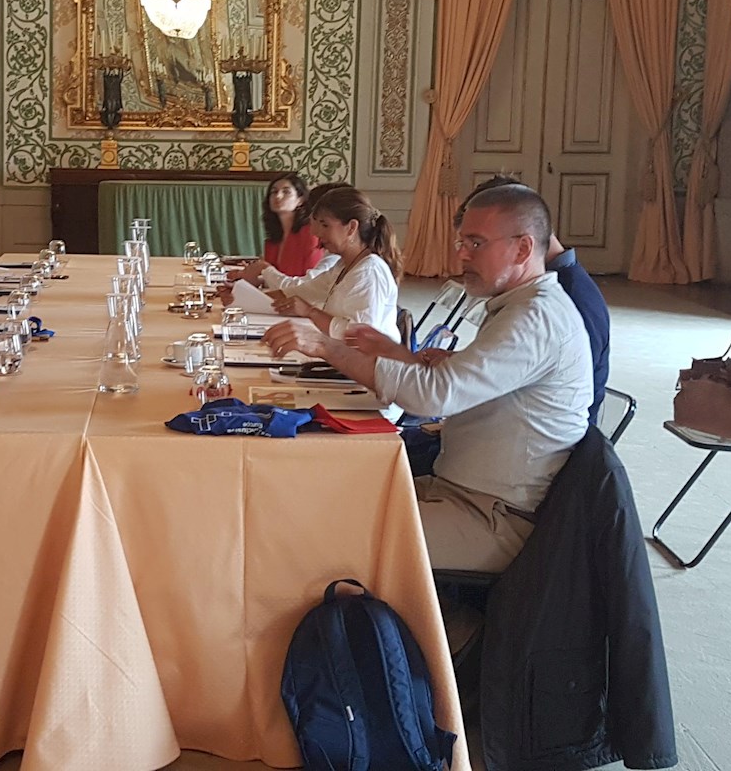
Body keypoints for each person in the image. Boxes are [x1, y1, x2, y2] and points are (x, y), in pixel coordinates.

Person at [266, 183, 591, 572]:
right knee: (314, 494)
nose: (461, 254)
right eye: (461, 242)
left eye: (475, 243)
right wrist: (400, 355)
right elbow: (467, 384)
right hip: (457, 489)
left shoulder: (534, 318)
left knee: (319, 533)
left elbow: (433, 397)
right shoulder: (518, 306)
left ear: (523, 249)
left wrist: (325, 347)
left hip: (492, 515)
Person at [455, 175, 611, 423]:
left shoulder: (568, 297)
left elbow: (561, 398)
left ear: (523, 244)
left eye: (477, 243)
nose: (463, 255)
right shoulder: (534, 286)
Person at [240, 187, 401, 340]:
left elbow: (360, 336)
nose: (316, 233)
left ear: (351, 228)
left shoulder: (369, 272)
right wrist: (241, 297)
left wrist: (310, 311)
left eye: (325, 225)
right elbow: (297, 292)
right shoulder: (342, 266)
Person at [260, 172, 325, 277]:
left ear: (300, 200)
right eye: (274, 192)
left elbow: (311, 279)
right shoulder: (273, 238)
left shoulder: (310, 232)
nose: (278, 196)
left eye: (286, 192)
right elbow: (270, 278)